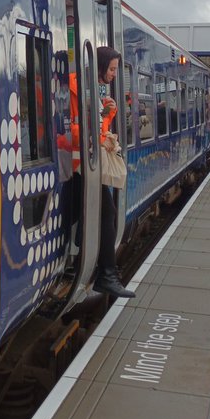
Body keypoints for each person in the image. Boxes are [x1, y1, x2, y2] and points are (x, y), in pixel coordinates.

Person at [92, 46, 135, 298]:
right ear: (100, 65)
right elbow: (72, 128)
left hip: (90, 164)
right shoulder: (79, 87)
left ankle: (106, 273)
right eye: (111, 69)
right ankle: (107, 275)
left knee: (106, 212)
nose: (113, 75)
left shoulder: (99, 92)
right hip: (79, 167)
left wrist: (109, 114)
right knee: (108, 213)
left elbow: (97, 125)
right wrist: (100, 139)